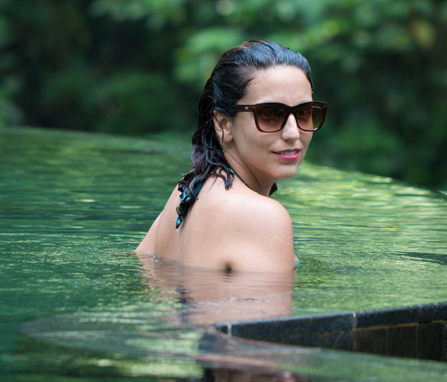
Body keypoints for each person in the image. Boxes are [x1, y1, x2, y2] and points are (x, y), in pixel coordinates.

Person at [135, 40, 326, 273]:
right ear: (224, 124)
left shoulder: (186, 192)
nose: (293, 133)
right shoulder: (262, 216)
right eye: (270, 114)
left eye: (304, 112)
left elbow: (144, 268)